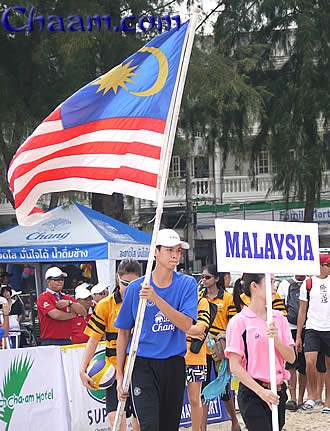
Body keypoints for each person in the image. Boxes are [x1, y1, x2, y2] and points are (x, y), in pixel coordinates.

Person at [115, 229, 198, 431]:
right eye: (169, 250)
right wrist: (120, 375)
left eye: (178, 250)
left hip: (174, 364)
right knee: (149, 425)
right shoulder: (136, 288)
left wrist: (156, 299)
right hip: (142, 364)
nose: (174, 255)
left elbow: (186, 325)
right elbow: (124, 332)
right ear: (156, 252)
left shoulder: (187, 284)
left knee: (169, 426)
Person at [226, 273, 295, 430]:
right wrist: (261, 392)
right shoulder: (239, 321)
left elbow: (291, 358)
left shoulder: (279, 318)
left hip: (277, 391)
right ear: (254, 286)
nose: (274, 287)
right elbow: (235, 366)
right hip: (252, 391)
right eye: (270, 282)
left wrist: (276, 339)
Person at [80, 259, 141, 431]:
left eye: (134, 283)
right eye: (124, 283)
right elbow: (93, 339)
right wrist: (82, 369)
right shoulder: (105, 305)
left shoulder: (146, 302)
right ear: (117, 278)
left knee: (139, 423)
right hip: (114, 371)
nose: (128, 288)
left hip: (141, 369)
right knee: (115, 421)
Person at [199, 264, 240, 431]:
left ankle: (235, 422)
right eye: (202, 277)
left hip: (221, 350)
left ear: (216, 279)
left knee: (224, 390)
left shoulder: (227, 298)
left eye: (207, 277)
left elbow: (234, 324)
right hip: (202, 349)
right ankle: (202, 427)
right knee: (204, 388)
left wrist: (222, 338)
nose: (204, 280)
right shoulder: (199, 297)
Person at [296, 254, 330, 413]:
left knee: (328, 366)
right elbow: (302, 311)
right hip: (312, 327)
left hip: (329, 328)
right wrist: (298, 336)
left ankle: (328, 401)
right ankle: (313, 394)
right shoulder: (308, 284)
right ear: (320, 266)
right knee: (310, 361)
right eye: (327, 265)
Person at [277, 275, 307, 410]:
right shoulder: (285, 283)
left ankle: (300, 398)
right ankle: (294, 398)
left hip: (306, 326)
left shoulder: (309, 283)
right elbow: (279, 305)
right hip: (290, 327)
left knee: (303, 365)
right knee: (291, 364)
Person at [37, 267, 86, 346]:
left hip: (67, 340)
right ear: (48, 281)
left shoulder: (67, 298)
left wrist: (70, 303)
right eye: (56, 279)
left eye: (62, 279)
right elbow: (55, 315)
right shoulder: (44, 297)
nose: (60, 281)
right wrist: (73, 315)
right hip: (50, 341)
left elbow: (83, 312)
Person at [185, 296, 210, 431]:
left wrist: (182, 331)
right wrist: (189, 332)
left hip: (196, 357)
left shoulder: (201, 301)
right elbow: (167, 329)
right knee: (171, 400)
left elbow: (201, 329)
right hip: (175, 356)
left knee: (195, 400)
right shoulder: (175, 301)